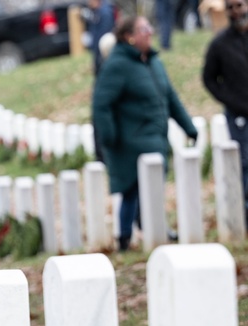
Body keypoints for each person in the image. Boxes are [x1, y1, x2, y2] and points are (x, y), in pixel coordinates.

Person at [92, 16, 198, 251]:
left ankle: (154, 229)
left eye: (150, 27)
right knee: (131, 191)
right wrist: (109, 138)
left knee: (152, 190)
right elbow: (101, 104)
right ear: (129, 36)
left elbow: (170, 98)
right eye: (143, 29)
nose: (150, 32)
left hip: (156, 137)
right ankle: (125, 238)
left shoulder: (153, 63)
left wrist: (189, 127)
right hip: (130, 141)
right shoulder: (117, 65)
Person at [202, 0, 248, 223]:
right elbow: (209, 78)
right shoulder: (220, 44)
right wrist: (231, 100)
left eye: (240, 5)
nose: (236, 11)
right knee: (245, 162)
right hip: (240, 115)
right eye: (231, 7)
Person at [83, 0, 116, 74]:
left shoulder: (105, 13)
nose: (88, 2)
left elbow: (103, 34)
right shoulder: (95, 11)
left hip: (103, 50)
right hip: (96, 49)